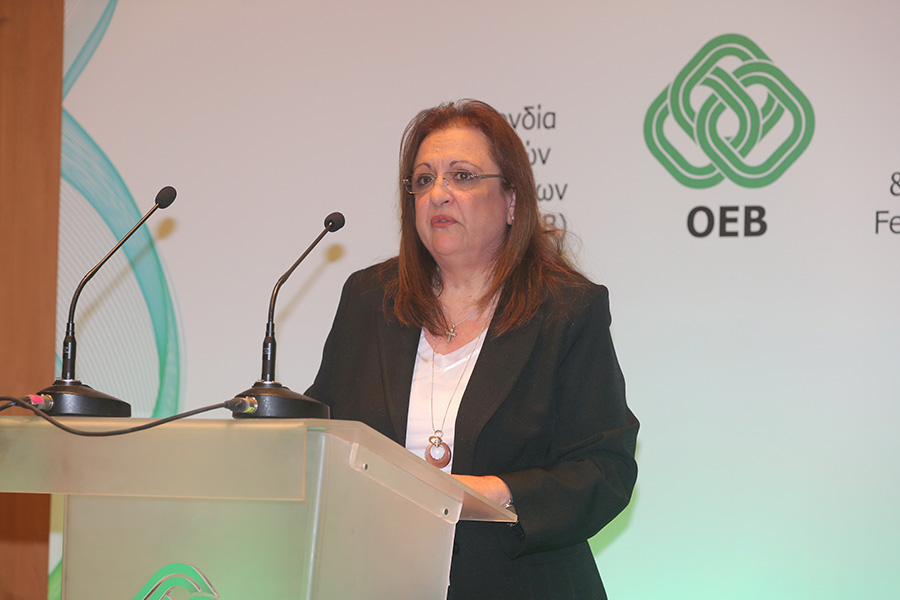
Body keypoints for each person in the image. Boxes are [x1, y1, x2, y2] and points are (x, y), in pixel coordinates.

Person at [306, 99, 638, 599]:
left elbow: (604, 469)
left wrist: (493, 492)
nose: (438, 194)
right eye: (423, 180)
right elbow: (326, 428)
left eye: (461, 176)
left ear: (511, 201)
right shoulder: (370, 298)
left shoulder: (566, 309)